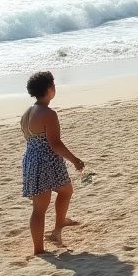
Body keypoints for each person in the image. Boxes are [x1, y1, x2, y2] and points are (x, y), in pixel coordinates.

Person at [21, 72, 84, 256]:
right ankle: (39, 250)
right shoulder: (48, 113)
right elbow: (55, 144)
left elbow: (33, 140)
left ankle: (60, 223)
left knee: (65, 191)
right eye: (53, 85)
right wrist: (75, 160)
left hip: (32, 159)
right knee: (40, 209)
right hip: (46, 161)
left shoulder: (27, 113)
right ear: (50, 89)